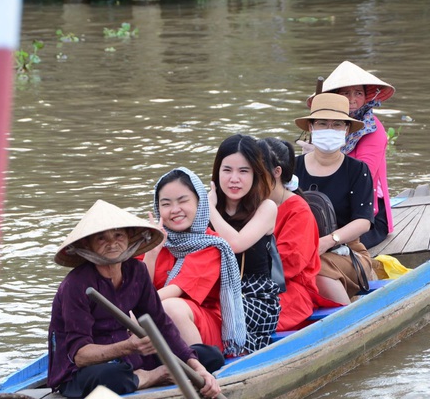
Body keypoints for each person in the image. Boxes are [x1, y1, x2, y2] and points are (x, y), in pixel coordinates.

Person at [47, 199, 220, 398]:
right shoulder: (76, 285)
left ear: (129, 237)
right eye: (101, 238)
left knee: (210, 356)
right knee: (112, 376)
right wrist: (129, 347)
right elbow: (80, 356)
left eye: (118, 235)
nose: (112, 243)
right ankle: (147, 378)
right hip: (80, 372)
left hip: (131, 359)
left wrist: (197, 368)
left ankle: (144, 375)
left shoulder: (137, 272)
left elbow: (161, 324)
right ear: (88, 245)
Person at [142, 167, 246, 363]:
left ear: (199, 203)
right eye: (166, 204)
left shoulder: (212, 244)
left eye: (183, 201)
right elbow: (138, 287)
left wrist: (136, 306)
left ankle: (199, 368)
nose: (175, 210)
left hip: (202, 327)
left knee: (170, 307)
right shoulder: (153, 241)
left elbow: (176, 290)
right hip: (157, 323)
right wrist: (151, 253)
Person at [301, 61, 395, 248]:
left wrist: (323, 156)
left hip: (366, 217)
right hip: (325, 211)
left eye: (358, 93)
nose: (352, 99)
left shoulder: (373, 130)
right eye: (345, 93)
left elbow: (364, 174)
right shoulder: (320, 131)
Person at [293, 93, 376, 305]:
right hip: (297, 249)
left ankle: (348, 323)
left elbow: (363, 221)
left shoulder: (357, 170)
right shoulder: (292, 168)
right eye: (322, 124)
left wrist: (328, 241)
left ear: (347, 129)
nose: (330, 129)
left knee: (318, 270)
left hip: (346, 251)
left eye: (337, 124)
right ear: (311, 128)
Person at [208, 134, 281, 354]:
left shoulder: (267, 208)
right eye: (227, 170)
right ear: (217, 172)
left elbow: (237, 244)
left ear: (255, 174)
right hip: (215, 292)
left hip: (255, 297)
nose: (234, 179)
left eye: (243, 171)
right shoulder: (209, 205)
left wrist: (207, 209)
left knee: (209, 312)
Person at [257, 137, 335, 331]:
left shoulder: (298, 211)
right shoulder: (250, 204)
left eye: (253, 170)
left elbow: (287, 265)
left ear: (276, 172)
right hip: (254, 286)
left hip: (289, 292)